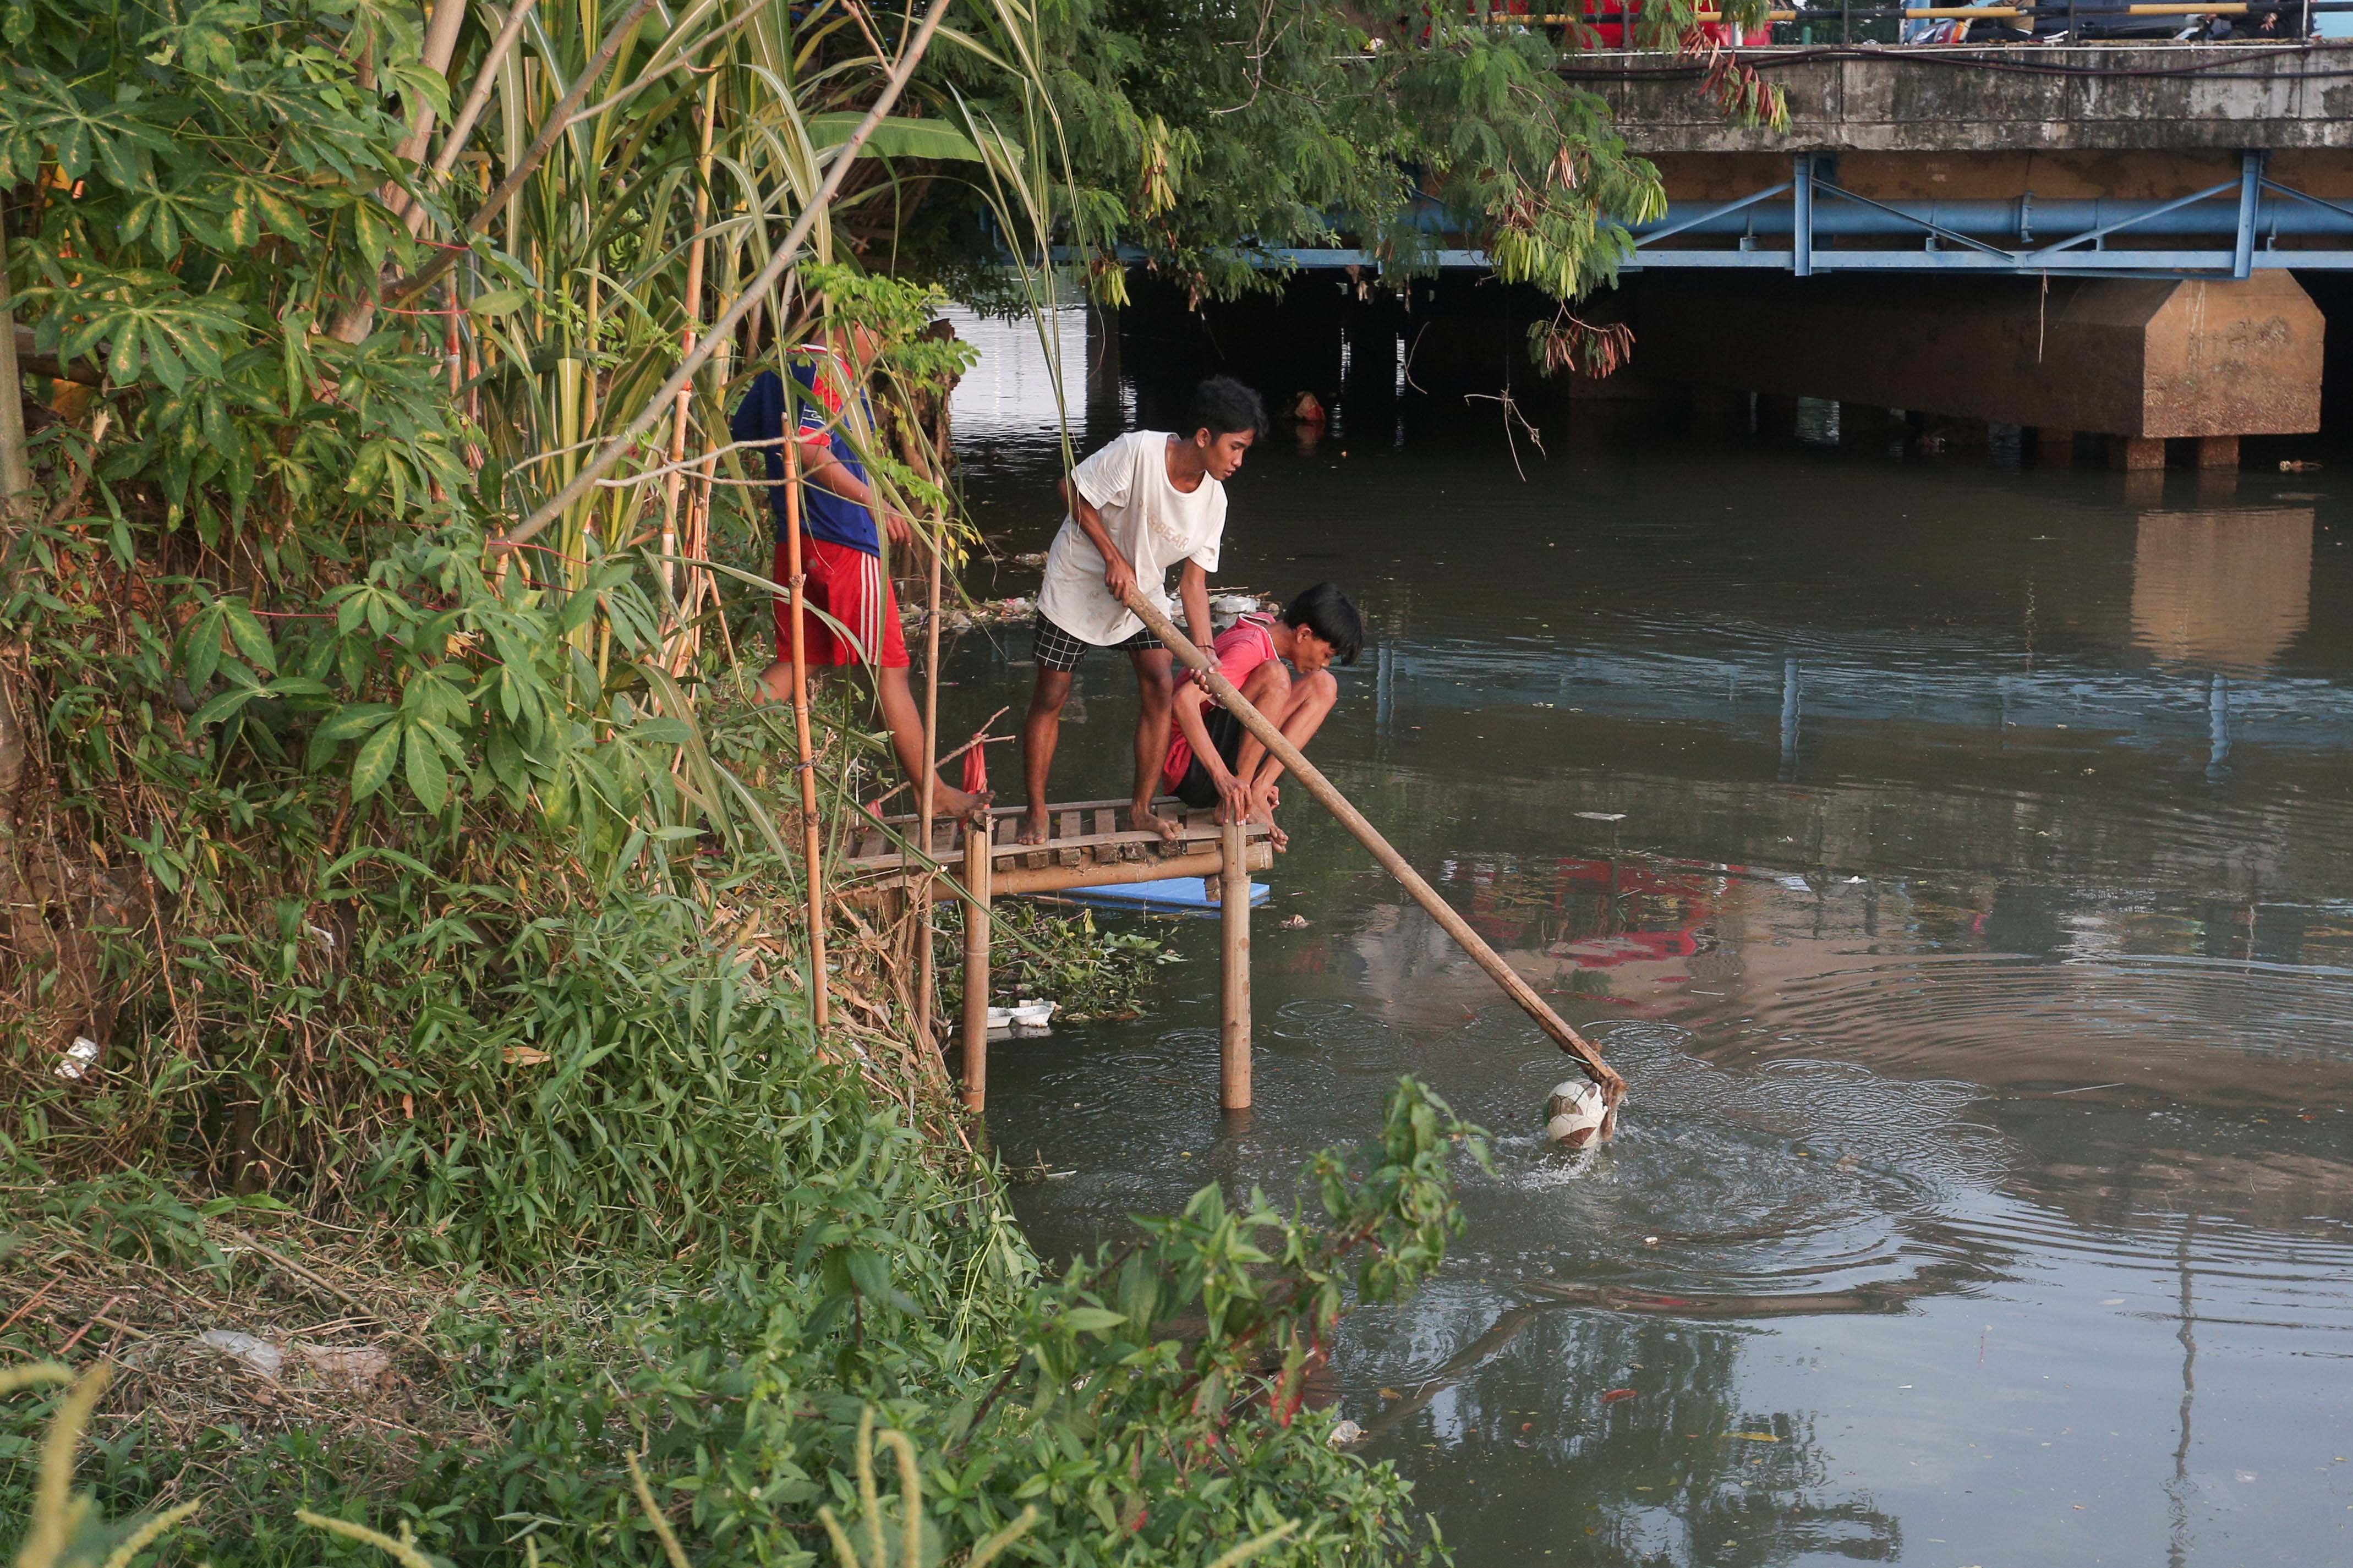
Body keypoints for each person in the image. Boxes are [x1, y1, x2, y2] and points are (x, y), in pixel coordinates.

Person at [731, 328, 984, 816]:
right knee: (892, 669)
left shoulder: (783, 364)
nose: (883, 346)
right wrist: (877, 502)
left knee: (796, 664)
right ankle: (932, 793)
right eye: (880, 333)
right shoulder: (829, 370)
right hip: (843, 542)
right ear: (852, 326)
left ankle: (721, 760)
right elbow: (805, 447)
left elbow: (750, 433)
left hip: (796, 540)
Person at [1020, 376, 1267, 844]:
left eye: (1244, 451)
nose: (1238, 461)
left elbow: (1194, 584)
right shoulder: (1139, 453)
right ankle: (1036, 809)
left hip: (1143, 593)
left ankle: (1140, 809)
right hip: (1079, 578)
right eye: (1234, 448)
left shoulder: (1215, 501)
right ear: (1203, 437)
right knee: (1051, 695)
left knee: (1158, 682)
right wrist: (1113, 557)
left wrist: (1205, 651)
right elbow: (1070, 490)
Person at [1163, 583, 1362, 852]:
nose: (1324, 663)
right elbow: (1183, 702)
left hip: (1219, 754)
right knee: (1275, 675)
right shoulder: (1251, 647)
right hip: (1192, 768)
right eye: (1327, 654)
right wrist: (1224, 779)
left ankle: (1257, 790)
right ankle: (1238, 799)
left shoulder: (1266, 627)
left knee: (1323, 685)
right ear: (1304, 633)